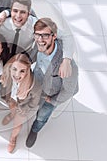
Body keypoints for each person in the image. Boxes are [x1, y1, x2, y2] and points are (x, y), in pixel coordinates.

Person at [0, 0, 74, 78]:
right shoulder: (0, 23)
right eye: (15, 11)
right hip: (3, 57)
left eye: (23, 12)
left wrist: (66, 60)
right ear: (11, 11)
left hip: (24, 58)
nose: (18, 16)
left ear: (29, 13)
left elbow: (66, 36)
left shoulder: (35, 24)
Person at [25, 18, 79, 148]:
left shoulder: (67, 65)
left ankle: (35, 129)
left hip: (52, 94)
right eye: (37, 35)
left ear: (54, 36)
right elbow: (31, 57)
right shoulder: (39, 46)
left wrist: (52, 100)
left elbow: (71, 90)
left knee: (42, 115)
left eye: (45, 35)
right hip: (39, 85)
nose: (40, 39)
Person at [0, 53, 42, 153]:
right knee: (12, 107)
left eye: (22, 71)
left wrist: (24, 109)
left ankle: (13, 139)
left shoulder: (34, 86)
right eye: (14, 69)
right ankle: (11, 114)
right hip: (12, 100)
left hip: (23, 106)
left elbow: (34, 103)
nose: (17, 75)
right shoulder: (8, 74)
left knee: (17, 124)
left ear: (27, 71)